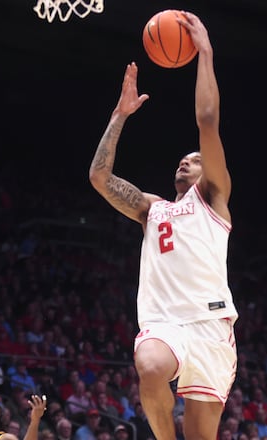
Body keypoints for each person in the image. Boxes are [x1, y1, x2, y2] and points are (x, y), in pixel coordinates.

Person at [88, 11, 237, 440]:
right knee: (150, 366)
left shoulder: (213, 197)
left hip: (211, 328)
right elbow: (100, 178)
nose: (185, 160)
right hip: (164, 323)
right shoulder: (150, 209)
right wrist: (120, 115)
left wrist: (204, 52)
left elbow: (207, 121)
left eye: (193, 159)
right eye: (182, 158)